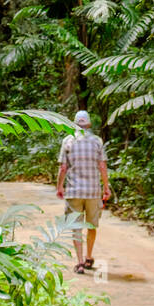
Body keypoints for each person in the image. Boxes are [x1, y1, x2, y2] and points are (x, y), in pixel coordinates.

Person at [56, 109, 111, 274]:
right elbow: (102, 166)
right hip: (93, 192)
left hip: (74, 191)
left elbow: (63, 167)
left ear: (74, 124)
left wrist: (59, 187)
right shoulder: (97, 141)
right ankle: (89, 257)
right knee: (92, 225)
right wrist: (106, 188)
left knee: (76, 227)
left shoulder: (68, 140)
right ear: (89, 124)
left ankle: (79, 262)